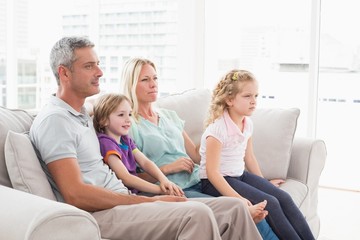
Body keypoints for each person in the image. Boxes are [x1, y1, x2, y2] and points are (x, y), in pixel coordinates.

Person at [29, 36, 264, 240]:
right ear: (64, 73)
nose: (100, 72)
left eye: (98, 64)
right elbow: (75, 194)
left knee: (234, 208)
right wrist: (151, 201)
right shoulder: (55, 121)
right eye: (90, 66)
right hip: (100, 213)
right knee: (197, 213)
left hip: (123, 198)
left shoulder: (81, 114)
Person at [121, 57, 279, 240]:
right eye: (145, 80)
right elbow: (128, 178)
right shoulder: (128, 124)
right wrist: (168, 168)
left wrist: (219, 132)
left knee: (261, 209)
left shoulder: (169, 116)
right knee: (242, 211)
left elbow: (197, 155)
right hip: (175, 189)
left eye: (155, 78)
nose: (153, 84)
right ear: (131, 84)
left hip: (199, 180)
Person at [199, 69, 315, 240]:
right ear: (230, 99)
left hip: (239, 175)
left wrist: (263, 183)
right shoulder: (217, 130)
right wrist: (238, 199)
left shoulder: (247, 124)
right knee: (272, 203)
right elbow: (212, 173)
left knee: (284, 197)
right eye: (247, 96)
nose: (254, 101)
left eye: (256, 96)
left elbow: (249, 157)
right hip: (214, 182)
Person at [93, 93, 183, 196]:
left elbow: (145, 162)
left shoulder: (125, 139)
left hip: (137, 191)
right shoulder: (106, 144)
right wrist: (160, 190)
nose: (128, 119)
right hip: (125, 195)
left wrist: (164, 180)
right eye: (121, 115)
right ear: (103, 120)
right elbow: (126, 178)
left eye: (130, 114)